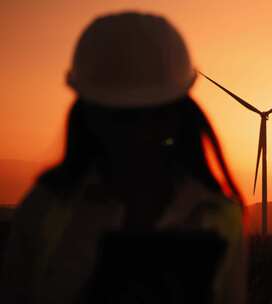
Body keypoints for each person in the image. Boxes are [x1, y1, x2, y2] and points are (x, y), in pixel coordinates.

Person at [1, 11, 247, 304]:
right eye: (122, 118)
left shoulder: (220, 216)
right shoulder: (44, 209)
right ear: (90, 116)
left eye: (154, 116)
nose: (139, 135)